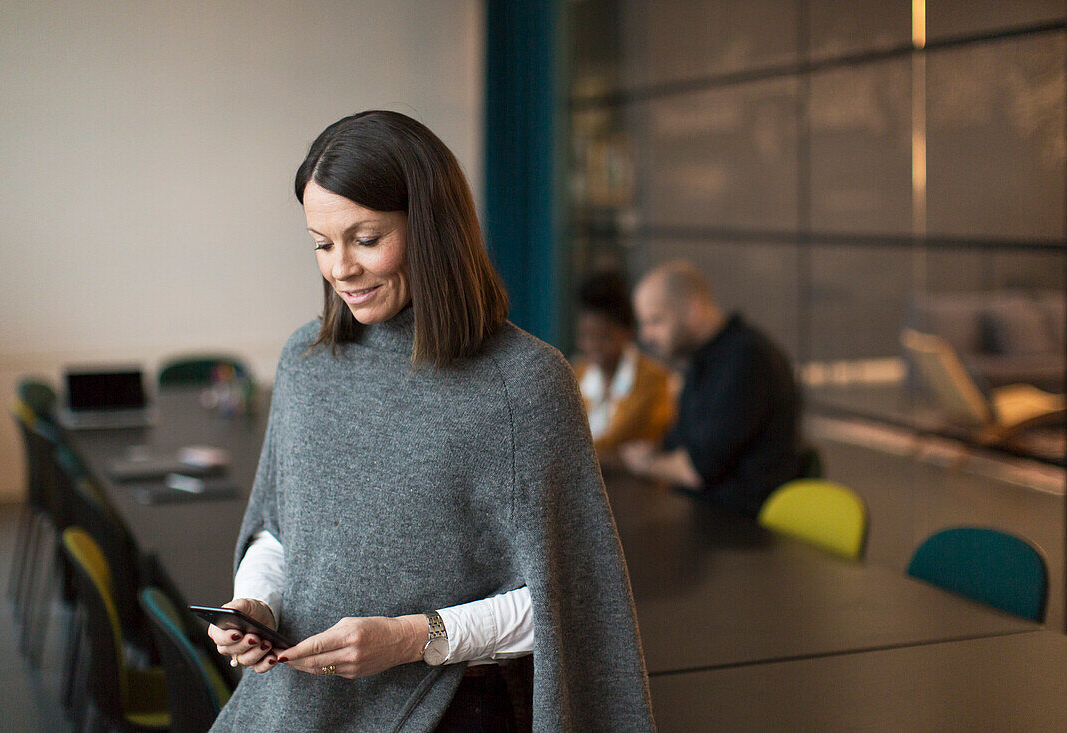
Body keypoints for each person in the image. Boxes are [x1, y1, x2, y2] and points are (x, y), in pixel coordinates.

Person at [206, 111, 654, 732]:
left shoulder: (522, 384)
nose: (340, 269)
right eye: (321, 242)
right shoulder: (307, 362)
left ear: (433, 231)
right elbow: (280, 532)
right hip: (298, 702)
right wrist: (257, 602)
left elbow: (569, 603)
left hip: (452, 711)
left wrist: (415, 638)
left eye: (366, 239)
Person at [620, 261, 800, 518]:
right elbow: (679, 446)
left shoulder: (747, 359)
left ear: (694, 310)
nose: (645, 336)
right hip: (709, 520)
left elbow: (696, 470)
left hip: (743, 531)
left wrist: (645, 463)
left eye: (655, 321)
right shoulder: (701, 359)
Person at [572, 271, 675, 465]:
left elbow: (649, 451)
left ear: (627, 332)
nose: (592, 346)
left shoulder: (654, 380)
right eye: (586, 336)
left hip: (636, 492)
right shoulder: (575, 375)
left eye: (603, 337)